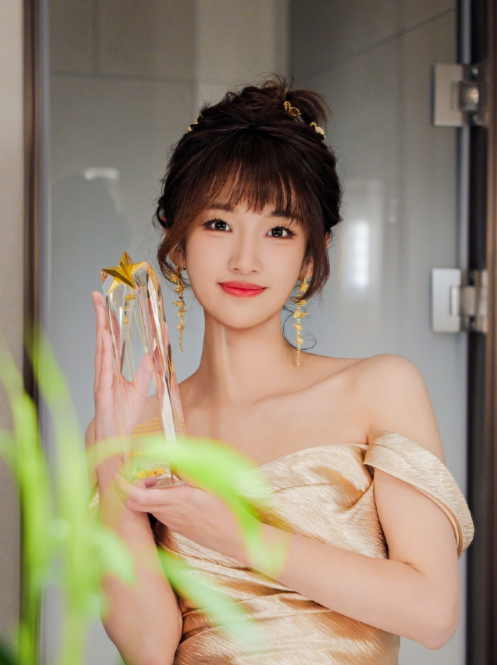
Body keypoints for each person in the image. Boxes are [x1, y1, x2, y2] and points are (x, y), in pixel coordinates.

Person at [86, 75, 474, 665]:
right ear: (177, 240)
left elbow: (433, 613)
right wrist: (111, 460)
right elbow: (148, 649)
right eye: (219, 224)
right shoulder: (134, 430)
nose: (246, 259)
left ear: (311, 256)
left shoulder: (379, 389)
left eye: (278, 230)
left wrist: (239, 537)